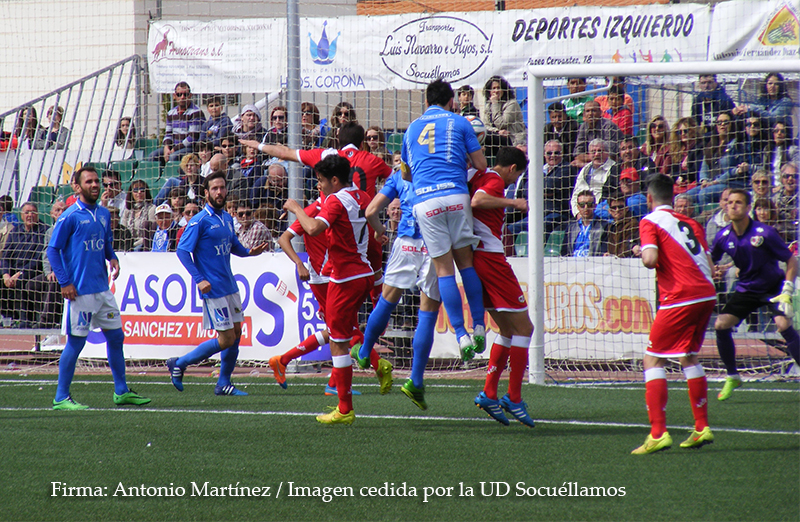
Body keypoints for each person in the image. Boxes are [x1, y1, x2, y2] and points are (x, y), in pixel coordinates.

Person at [282, 155, 377, 424]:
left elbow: (312, 228)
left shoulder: (335, 201)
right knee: (345, 334)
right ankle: (371, 361)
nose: (319, 186)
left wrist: (296, 207)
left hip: (344, 278)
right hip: (365, 272)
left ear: (334, 180)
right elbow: (373, 219)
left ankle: (344, 408)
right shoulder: (361, 195)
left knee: (338, 341)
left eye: (321, 181)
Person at [47, 166, 150, 410]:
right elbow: (53, 250)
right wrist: (65, 282)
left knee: (116, 337)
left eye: (97, 181)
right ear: (77, 186)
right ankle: (61, 397)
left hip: (103, 289)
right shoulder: (70, 216)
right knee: (76, 343)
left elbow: (105, 243)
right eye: (89, 181)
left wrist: (111, 256)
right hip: (80, 291)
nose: (95, 185)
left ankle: (121, 391)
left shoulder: (103, 214)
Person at [401, 78, 488, 360]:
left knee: (443, 271)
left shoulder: (411, 128)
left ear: (426, 102)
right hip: (455, 196)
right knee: (466, 264)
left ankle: (460, 336)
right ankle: (478, 328)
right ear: (452, 101)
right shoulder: (460, 122)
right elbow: (481, 165)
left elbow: (405, 174)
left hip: (426, 200)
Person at [632, 173, 716, 454]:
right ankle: (702, 427)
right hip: (707, 293)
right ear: (674, 196)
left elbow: (651, 259)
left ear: (649, 199)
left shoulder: (649, 221)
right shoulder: (691, 222)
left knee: (652, 358)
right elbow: (710, 263)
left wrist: (640, 250)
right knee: (688, 355)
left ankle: (658, 433)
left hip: (680, 297)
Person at [167, 171, 270, 396]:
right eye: (215, 188)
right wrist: (199, 279)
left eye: (222, 187)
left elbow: (234, 246)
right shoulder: (199, 221)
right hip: (212, 288)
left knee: (236, 333)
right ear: (206, 193)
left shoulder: (225, 218)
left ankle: (223, 383)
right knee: (226, 339)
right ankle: (180, 363)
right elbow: (183, 251)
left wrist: (249, 253)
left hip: (229, 286)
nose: (220, 192)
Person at [270, 188, 369, 396]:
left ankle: (284, 360)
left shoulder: (340, 204)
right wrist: (299, 263)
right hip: (323, 279)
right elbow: (283, 239)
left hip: (339, 276)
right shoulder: (313, 209)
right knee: (345, 331)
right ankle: (337, 383)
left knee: (339, 330)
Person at [358, 166, 440, 410]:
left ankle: (364, 351)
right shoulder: (441, 172)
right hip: (434, 243)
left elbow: (371, 210)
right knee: (428, 312)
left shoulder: (398, 177)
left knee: (387, 300)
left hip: (405, 242)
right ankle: (415, 380)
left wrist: (380, 230)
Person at [711, 189, 800, 400]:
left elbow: (791, 260)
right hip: (747, 289)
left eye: (738, 202)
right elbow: (709, 257)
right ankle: (733, 376)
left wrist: (787, 289)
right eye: (730, 202)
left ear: (748, 207)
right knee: (720, 325)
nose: (733, 206)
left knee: (783, 326)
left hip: (772, 287)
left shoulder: (764, 232)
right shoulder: (722, 237)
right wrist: (711, 270)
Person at [469, 147, 535, 427]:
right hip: (491, 258)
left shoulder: (478, 175)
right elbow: (478, 201)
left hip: (476, 258)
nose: (515, 180)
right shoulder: (494, 180)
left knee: (508, 329)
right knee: (525, 328)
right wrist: (515, 203)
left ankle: (490, 392)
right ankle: (514, 397)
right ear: (512, 169)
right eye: (518, 174)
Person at [1, 202, 48, 327]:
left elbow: (38, 258)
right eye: (27, 212)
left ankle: (24, 320)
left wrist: (20, 273)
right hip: (13, 271)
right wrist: (6, 274)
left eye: (33, 212)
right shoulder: (15, 231)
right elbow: (6, 255)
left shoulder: (43, 231)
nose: (30, 215)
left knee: (21, 280)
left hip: (34, 271)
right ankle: (7, 318)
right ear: (21, 215)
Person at [31, 199, 67, 328]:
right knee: (31, 285)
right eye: (58, 210)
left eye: (64, 209)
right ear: (52, 214)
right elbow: (46, 255)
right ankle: (29, 319)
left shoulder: (72, 229)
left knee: (54, 283)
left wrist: (57, 271)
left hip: (67, 270)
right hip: (53, 271)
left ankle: (46, 320)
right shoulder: (49, 232)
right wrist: (47, 272)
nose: (61, 212)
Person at [150, 81, 204, 163]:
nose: (182, 97)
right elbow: (168, 134)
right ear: (174, 96)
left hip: (189, 148)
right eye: (179, 94)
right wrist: (166, 147)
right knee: (152, 156)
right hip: (174, 147)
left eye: (185, 94)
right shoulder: (171, 113)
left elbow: (192, 138)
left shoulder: (196, 112)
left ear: (190, 95)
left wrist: (174, 149)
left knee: (173, 157)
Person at [570, 138, 619, 218]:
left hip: (601, 213)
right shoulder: (585, 169)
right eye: (593, 152)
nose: (596, 154)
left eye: (600, 151)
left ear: (607, 153)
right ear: (589, 154)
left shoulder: (614, 169)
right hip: (581, 213)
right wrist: (577, 213)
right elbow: (575, 194)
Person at [572, 100, 625, 168]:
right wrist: (597, 157)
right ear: (584, 114)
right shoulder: (583, 127)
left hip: (614, 164)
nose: (590, 114)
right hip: (593, 164)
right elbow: (578, 155)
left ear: (600, 112)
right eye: (588, 111)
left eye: (594, 110)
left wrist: (584, 163)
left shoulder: (609, 126)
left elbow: (610, 156)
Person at [481, 75, 526, 149]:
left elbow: (502, 124)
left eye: (498, 88)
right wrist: (497, 132)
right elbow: (485, 126)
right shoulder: (488, 105)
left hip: (512, 141)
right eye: (493, 88)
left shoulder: (512, 104)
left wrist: (495, 104)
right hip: (496, 140)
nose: (496, 91)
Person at [561, 190, 608, 257]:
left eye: (589, 204)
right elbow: (564, 251)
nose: (586, 208)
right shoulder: (571, 227)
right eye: (582, 205)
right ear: (578, 207)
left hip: (593, 263)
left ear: (595, 206)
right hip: (572, 263)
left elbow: (603, 251)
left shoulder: (604, 226)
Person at [691, 74, 735, 140]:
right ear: (699, 85)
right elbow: (694, 122)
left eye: (709, 82)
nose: (706, 86)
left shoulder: (724, 100)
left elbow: (726, 126)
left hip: (721, 137)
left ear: (715, 83)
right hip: (703, 139)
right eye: (703, 83)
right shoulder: (697, 101)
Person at [667, 117, 703, 193]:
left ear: (693, 131)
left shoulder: (700, 147)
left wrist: (681, 177)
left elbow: (696, 170)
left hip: (694, 183)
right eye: (680, 132)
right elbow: (673, 170)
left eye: (686, 131)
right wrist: (677, 178)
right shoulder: (678, 150)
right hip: (679, 183)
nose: (683, 134)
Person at [122, 180, 156, 251]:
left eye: (142, 190)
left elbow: (150, 234)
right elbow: (123, 229)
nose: (139, 192)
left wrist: (133, 245)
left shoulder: (151, 208)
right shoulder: (127, 210)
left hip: (143, 244)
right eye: (136, 190)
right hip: (128, 244)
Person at [605, 192, 640, 258]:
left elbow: (626, 249)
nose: (617, 210)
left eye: (620, 207)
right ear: (609, 211)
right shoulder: (611, 226)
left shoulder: (632, 224)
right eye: (614, 208)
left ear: (626, 208)